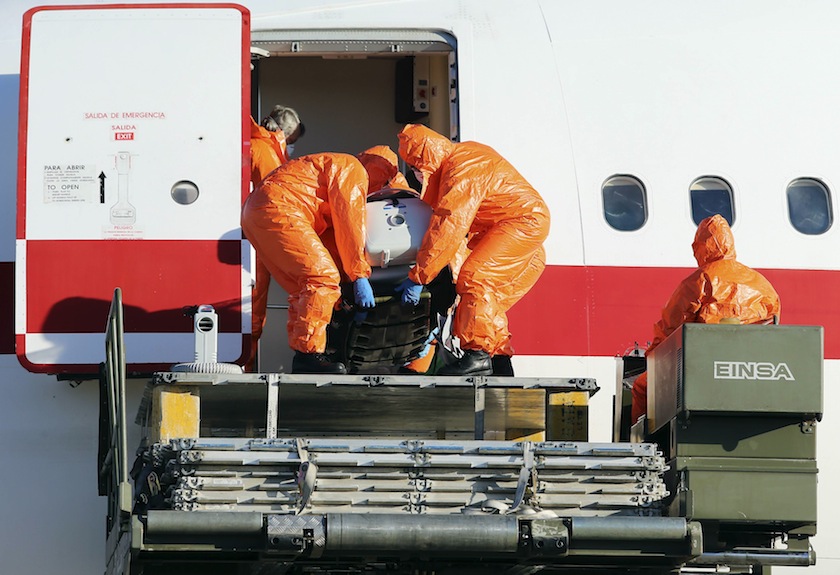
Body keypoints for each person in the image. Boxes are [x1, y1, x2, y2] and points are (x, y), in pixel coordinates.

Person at [395, 124, 551, 376]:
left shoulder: (462, 168)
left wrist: (419, 277)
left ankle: (477, 355)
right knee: (488, 297)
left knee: (476, 278)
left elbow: (450, 224)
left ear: (428, 157)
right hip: (508, 226)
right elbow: (450, 232)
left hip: (519, 223)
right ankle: (499, 360)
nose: (417, 175)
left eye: (417, 167)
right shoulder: (462, 159)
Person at [630, 214, 781, 423]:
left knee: (641, 387)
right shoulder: (762, 284)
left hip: (701, 370)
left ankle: (641, 444)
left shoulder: (700, 280)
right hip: (750, 371)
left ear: (701, 247)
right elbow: (774, 329)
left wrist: (653, 360)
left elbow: (669, 327)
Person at [241, 153, 375, 374]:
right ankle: (308, 355)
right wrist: (358, 275)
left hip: (258, 211)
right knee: (321, 278)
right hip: (280, 208)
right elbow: (349, 226)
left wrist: (345, 282)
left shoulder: (332, 167)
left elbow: (333, 240)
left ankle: (305, 354)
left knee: (304, 287)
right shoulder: (353, 171)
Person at [248, 105, 305, 369]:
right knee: (253, 303)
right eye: (291, 142)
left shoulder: (258, 145)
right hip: (256, 238)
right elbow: (271, 198)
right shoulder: (265, 152)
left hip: (253, 234)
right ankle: (244, 363)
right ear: (284, 134)